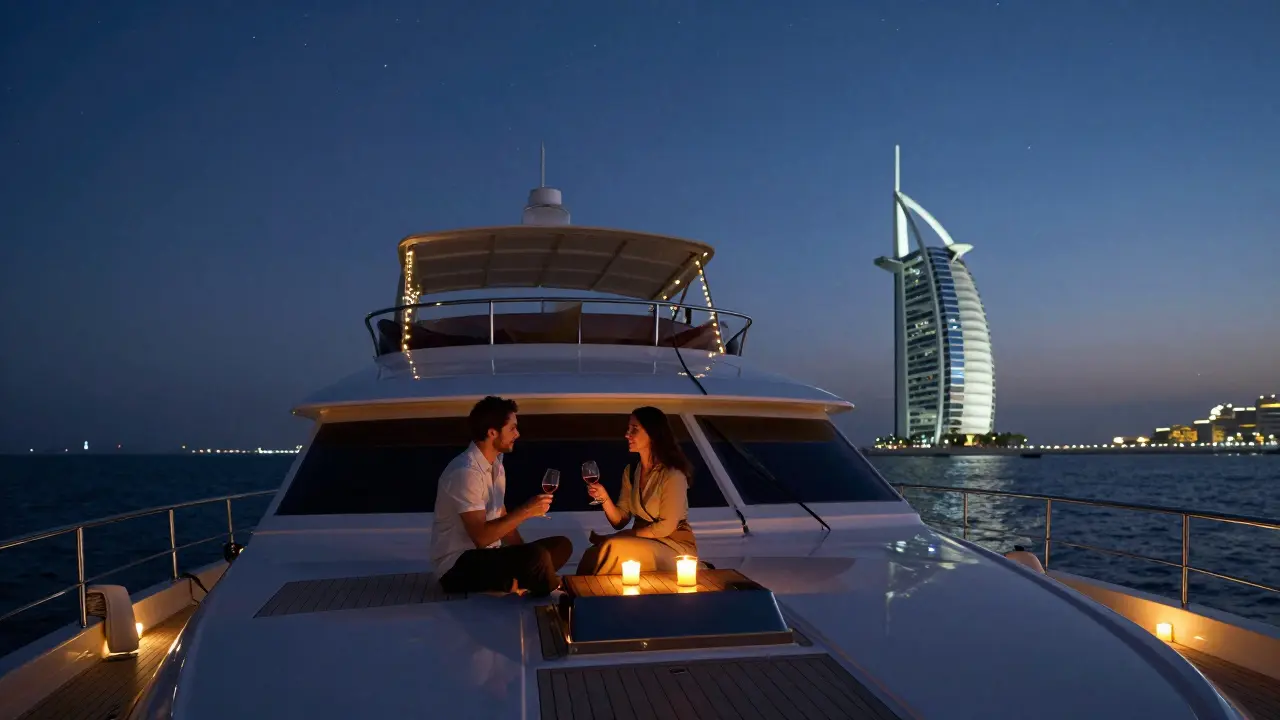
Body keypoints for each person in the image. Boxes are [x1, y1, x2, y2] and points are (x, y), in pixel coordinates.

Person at [432, 396, 573, 597]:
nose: (518, 433)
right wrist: (526, 511)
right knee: (537, 557)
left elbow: (503, 519)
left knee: (560, 546)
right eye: (512, 428)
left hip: (489, 556)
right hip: (458, 565)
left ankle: (517, 579)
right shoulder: (465, 472)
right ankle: (552, 589)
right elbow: (481, 538)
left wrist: (524, 556)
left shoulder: (497, 464)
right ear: (492, 432)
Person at [578, 406, 696, 575]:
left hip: (673, 545)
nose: (627, 434)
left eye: (634, 429)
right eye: (628, 429)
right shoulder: (632, 471)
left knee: (614, 547)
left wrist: (623, 536)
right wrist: (604, 497)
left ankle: (598, 598)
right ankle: (577, 598)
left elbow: (665, 527)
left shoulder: (672, 474)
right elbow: (620, 520)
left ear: (653, 434)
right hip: (642, 541)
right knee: (593, 552)